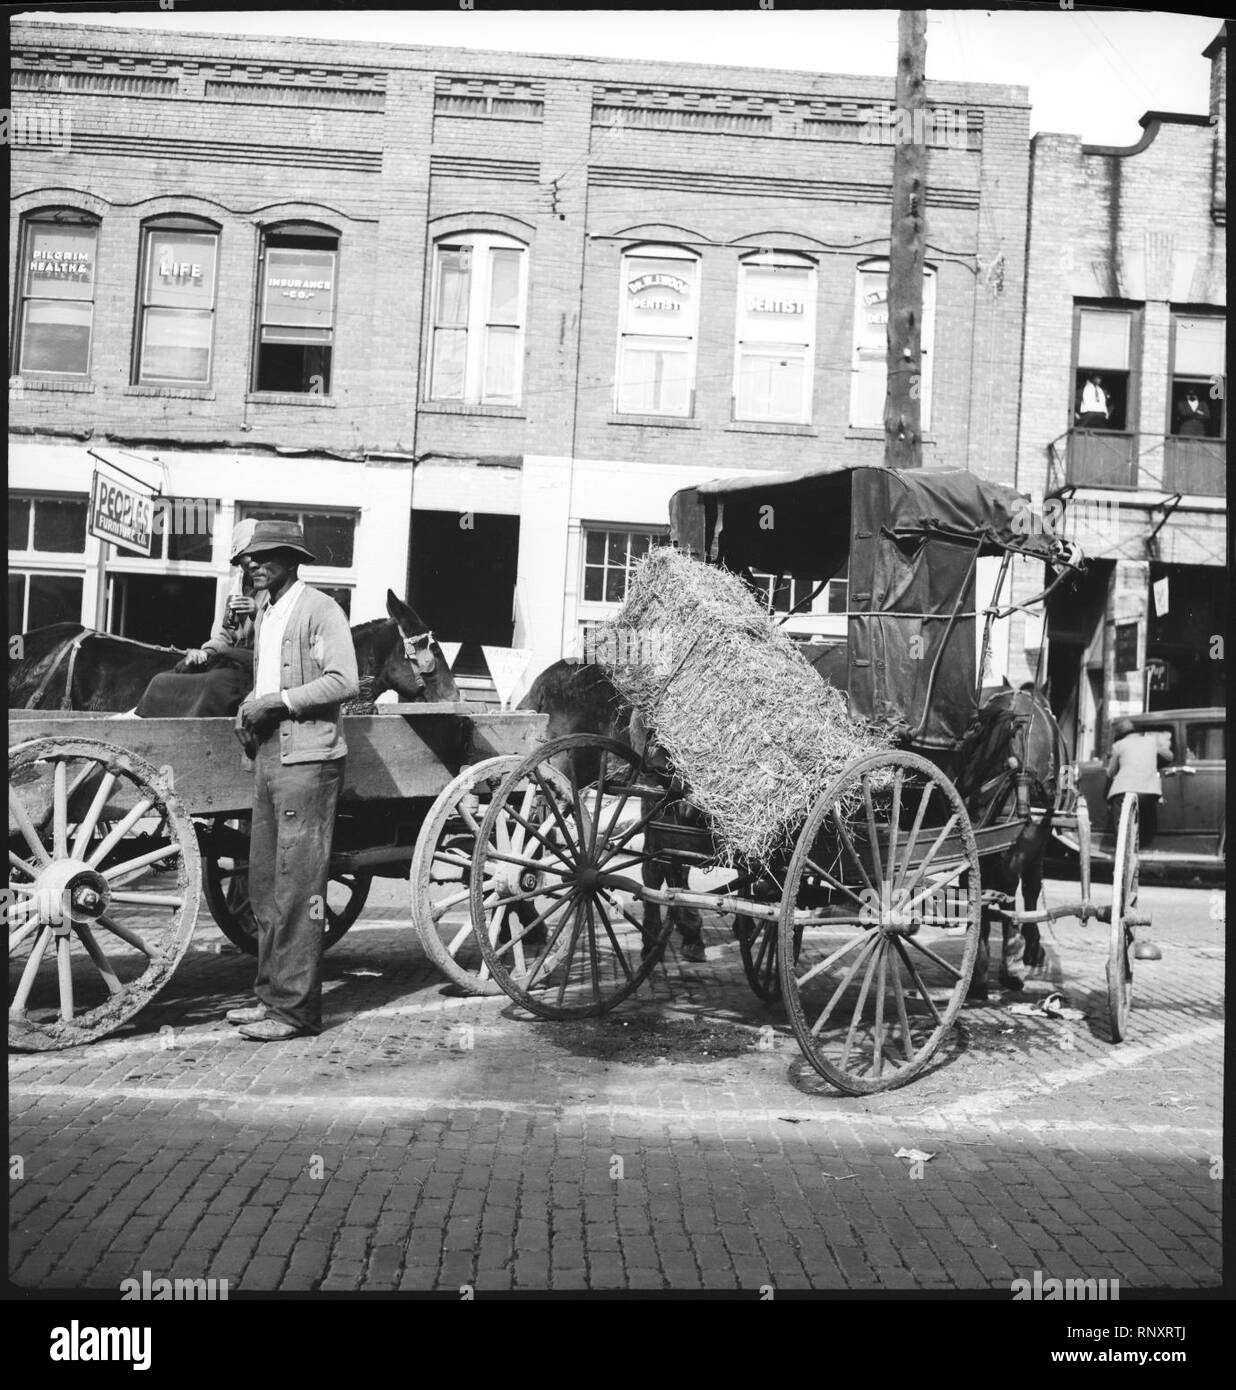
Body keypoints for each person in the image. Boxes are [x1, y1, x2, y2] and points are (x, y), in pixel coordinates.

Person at [225, 520, 360, 1041]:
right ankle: (270, 995)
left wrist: (276, 703)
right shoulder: (266, 609)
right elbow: (263, 679)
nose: (252, 566)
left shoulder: (320, 609)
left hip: (309, 763)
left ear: (292, 560)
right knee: (264, 885)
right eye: (247, 560)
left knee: (299, 886)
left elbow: (345, 680)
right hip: (269, 759)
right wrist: (250, 704)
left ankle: (296, 1012)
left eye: (266, 558)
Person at [1105, 717, 1171, 848]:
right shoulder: (1151, 741)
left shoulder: (1118, 745)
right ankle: (1141, 848)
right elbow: (1169, 756)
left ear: (1119, 735)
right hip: (1150, 790)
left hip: (1124, 789)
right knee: (1145, 821)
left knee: (1121, 825)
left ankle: (1123, 850)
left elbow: (1110, 772)